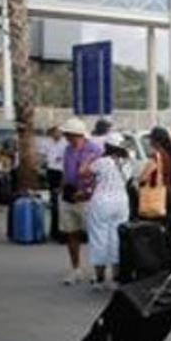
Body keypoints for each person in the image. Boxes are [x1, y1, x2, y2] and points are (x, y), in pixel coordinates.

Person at [85, 139, 133, 290]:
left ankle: (99, 279)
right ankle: (116, 279)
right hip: (121, 202)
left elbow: (83, 172)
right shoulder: (127, 162)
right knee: (117, 240)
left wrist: (89, 159)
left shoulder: (102, 162)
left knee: (99, 238)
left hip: (102, 201)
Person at [59, 118, 102, 284]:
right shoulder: (68, 149)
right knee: (71, 233)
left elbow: (99, 176)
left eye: (68, 134)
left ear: (78, 134)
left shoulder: (95, 150)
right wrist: (62, 188)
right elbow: (66, 170)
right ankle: (76, 268)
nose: (66, 137)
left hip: (87, 197)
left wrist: (87, 192)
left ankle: (95, 270)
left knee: (93, 234)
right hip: (69, 194)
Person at [138, 127, 171, 234]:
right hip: (168, 193)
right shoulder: (170, 154)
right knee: (164, 227)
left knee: (153, 229)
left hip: (156, 196)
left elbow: (144, 176)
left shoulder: (157, 155)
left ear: (156, 140)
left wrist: (140, 181)